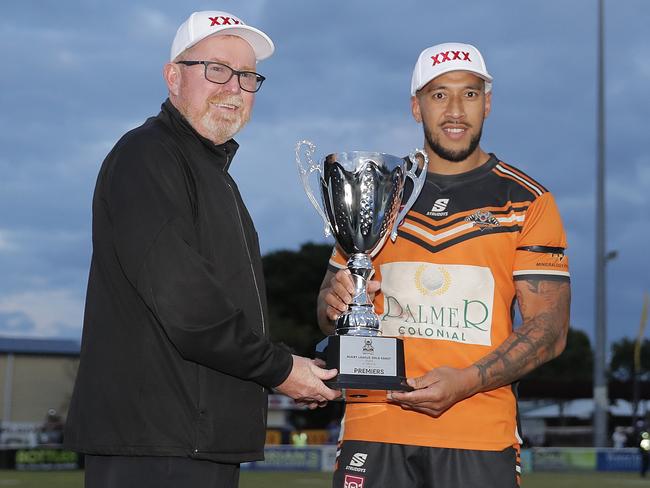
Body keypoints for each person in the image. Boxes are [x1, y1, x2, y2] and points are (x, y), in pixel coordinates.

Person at [64, 10, 339, 488]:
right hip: (157, 444)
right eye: (217, 70)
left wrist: (300, 369)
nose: (234, 88)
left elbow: (221, 308)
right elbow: (189, 309)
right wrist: (280, 369)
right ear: (174, 77)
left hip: (192, 441)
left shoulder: (212, 175)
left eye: (248, 76)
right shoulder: (147, 155)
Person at [317, 42, 571, 488]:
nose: (455, 110)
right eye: (438, 95)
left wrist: (468, 381)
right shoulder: (377, 191)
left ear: (487, 103)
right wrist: (335, 303)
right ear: (416, 107)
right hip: (375, 426)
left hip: (477, 432)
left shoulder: (527, 201)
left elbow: (549, 330)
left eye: (469, 94)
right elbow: (326, 309)